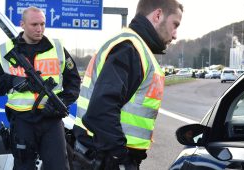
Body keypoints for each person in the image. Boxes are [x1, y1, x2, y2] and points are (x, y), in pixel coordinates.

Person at [72, 0, 183, 169]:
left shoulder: (135, 47)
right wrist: (120, 157)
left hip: (104, 154)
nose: (175, 34)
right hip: (105, 158)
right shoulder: (129, 49)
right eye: (175, 25)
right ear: (158, 15)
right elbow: (100, 111)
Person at [0, 6, 80, 170]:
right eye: (34, 24)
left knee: (59, 166)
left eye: (43, 24)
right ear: (22, 24)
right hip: (22, 121)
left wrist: (62, 101)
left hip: (51, 119)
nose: (40, 29)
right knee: (23, 166)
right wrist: (12, 81)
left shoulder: (56, 48)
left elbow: (74, 82)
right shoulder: (4, 50)